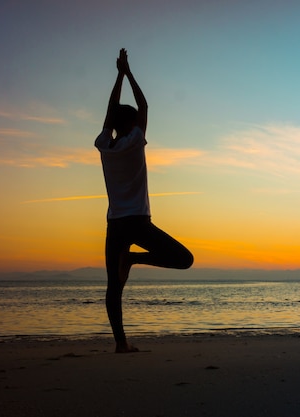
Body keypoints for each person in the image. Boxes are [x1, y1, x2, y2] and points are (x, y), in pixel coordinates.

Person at [95, 48, 194, 353]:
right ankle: (136, 258)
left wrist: (118, 75)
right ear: (132, 124)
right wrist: (128, 72)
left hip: (115, 225)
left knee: (114, 287)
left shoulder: (104, 145)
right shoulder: (136, 140)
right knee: (184, 259)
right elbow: (144, 106)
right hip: (138, 222)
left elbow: (112, 110)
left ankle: (121, 344)